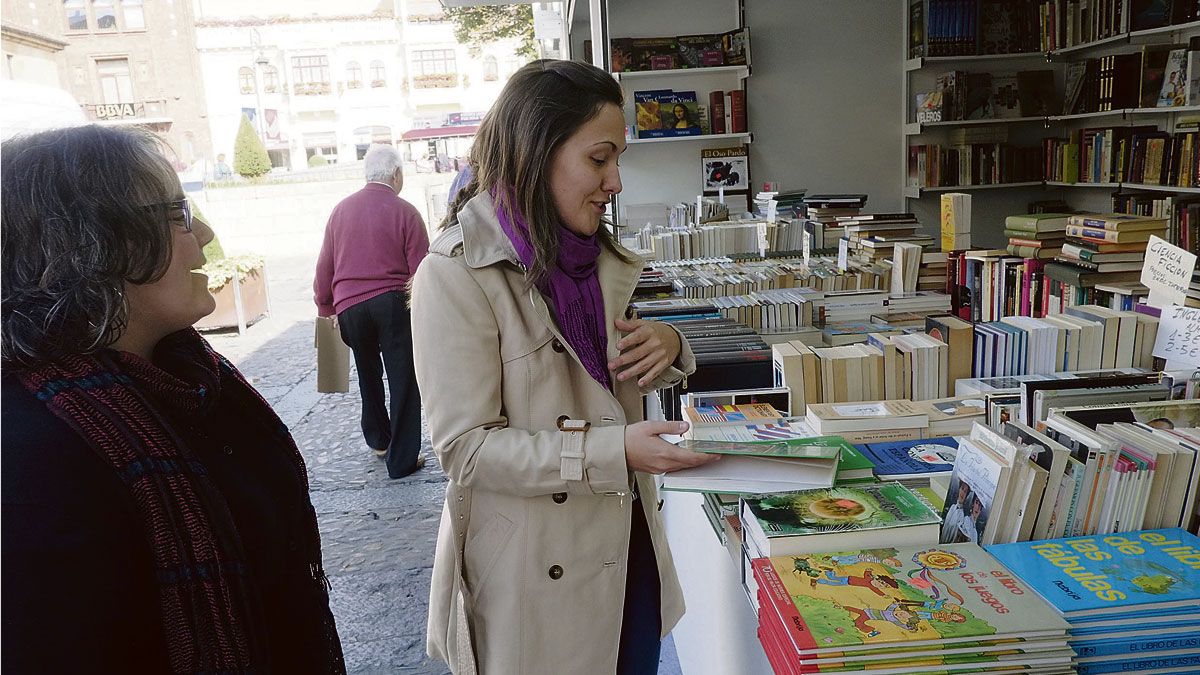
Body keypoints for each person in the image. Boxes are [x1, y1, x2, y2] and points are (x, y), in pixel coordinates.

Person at [410, 59, 719, 674]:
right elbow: (466, 451)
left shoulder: (597, 257)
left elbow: (608, 382)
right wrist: (615, 452)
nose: (616, 182)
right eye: (599, 159)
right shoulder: (455, 272)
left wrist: (669, 343)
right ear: (535, 152)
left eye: (618, 160)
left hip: (626, 548)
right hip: (537, 579)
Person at [1, 125, 344, 673]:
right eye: (177, 213)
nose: (204, 233)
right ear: (92, 242)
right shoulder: (29, 454)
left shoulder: (194, 378)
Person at [314, 143, 429, 478]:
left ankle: (379, 440)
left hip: (349, 307)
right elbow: (420, 271)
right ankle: (403, 459)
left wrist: (326, 307)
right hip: (391, 304)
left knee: (367, 372)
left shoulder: (340, 211)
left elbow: (325, 265)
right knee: (403, 378)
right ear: (396, 175)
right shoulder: (405, 211)